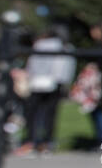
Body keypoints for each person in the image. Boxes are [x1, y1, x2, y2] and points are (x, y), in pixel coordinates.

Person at [18, 25, 75, 155]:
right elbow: (65, 67)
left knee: (33, 114)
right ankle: (47, 143)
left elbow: (32, 64)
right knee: (50, 115)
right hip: (54, 83)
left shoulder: (40, 44)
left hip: (37, 83)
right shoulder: (64, 46)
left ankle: (31, 141)